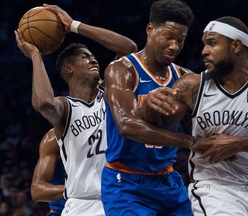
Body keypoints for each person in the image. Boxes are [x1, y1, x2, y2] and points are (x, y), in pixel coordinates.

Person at [142, 16, 248, 215]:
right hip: (215, 191)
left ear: (236, 46)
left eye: (212, 43)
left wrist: (238, 143)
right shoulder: (192, 85)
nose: (204, 51)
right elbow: (153, 128)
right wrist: (149, 105)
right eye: (204, 44)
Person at [15, 3, 137, 215]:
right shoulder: (65, 108)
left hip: (121, 196)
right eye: (84, 56)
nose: (93, 59)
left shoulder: (111, 92)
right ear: (68, 69)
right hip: (82, 203)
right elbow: (44, 103)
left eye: (92, 56)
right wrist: (36, 56)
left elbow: (129, 49)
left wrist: (74, 25)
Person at [102, 0, 194, 215]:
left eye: (180, 40)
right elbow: (126, 125)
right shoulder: (122, 69)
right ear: (150, 30)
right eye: (169, 37)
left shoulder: (185, 77)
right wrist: (190, 142)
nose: (175, 46)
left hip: (169, 181)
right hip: (126, 183)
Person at [31, 128, 66, 216]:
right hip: (61, 211)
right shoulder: (53, 139)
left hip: (98, 204)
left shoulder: (101, 132)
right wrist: (73, 189)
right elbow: (36, 191)